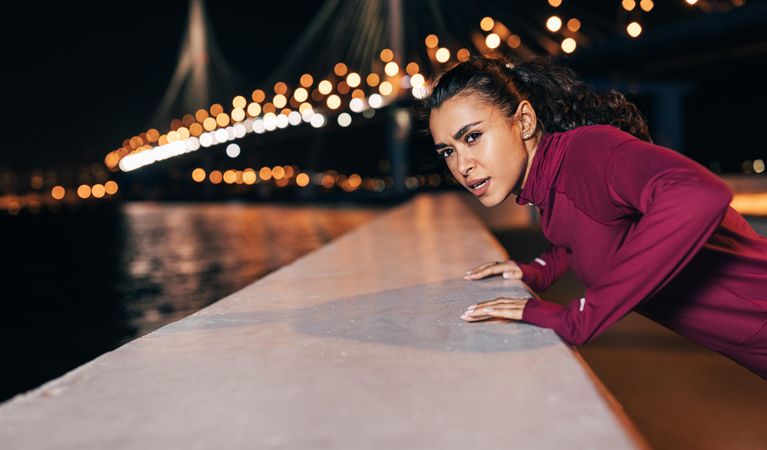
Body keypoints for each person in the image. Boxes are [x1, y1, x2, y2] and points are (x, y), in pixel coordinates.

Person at [416, 56, 767, 379]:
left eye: (473, 137)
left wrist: (581, 318)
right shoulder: (551, 184)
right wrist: (539, 270)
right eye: (448, 151)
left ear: (523, 121)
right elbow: (590, 228)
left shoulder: (588, 152)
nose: (461, 166)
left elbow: (698, 194)